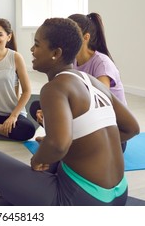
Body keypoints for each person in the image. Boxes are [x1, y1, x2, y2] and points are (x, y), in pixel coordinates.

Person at [0, 18, 139, 206]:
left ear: (56, 53)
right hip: (120, 194)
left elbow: (59, 144)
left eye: (36, 45)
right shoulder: (93, 81)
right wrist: (88, 145)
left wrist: (37, 160)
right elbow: (132, 128)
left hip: (83, 200)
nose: (32, 50)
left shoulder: (55, 87)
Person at [30, 12, 128, 150]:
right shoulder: (72, 62)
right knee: (38, 107)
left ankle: (63, 142)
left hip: (110, 132)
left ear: (85, 37)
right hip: (84, 125)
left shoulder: (102, 63)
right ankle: (61, 140)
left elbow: (98, 105)